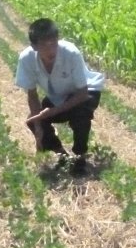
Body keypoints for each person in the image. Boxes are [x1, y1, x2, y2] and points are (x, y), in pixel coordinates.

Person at [14, 18, 105, 175]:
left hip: (85, 92)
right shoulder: (26, 59)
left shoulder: (71, 53)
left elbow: (82, 93)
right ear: (34, 46)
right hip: (59, 96)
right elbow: (32, 95)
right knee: (33, 119)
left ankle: (79, 158)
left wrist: (53, 112)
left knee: (81, 116)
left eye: (53, 43)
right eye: (44, 45)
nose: (51, 50)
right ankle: (61, 154)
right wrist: (38, 130)